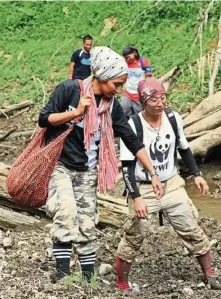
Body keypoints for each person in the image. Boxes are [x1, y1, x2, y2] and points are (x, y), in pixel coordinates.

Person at [39, 46, 163, 283]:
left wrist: (152, 171)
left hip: (88, 170)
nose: (118, 90)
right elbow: (44, 119)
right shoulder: (69, 90)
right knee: (65, 212)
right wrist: (76, 112)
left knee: (87, 220)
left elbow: (131, 139)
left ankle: (87, 278)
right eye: (116, 84)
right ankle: (64, 276)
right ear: (101, 76)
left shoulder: (112, 107)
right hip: (60, 165)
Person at [116, 78, 221, 291]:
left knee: (190, 225)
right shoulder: (133, 126)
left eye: (163, 97)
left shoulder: (173, 119)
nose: (160, 103)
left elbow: (184, 148)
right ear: (143, 102)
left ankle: (210, 275)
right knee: (135, 232)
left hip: (171, 183)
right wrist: (137, 197)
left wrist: (197, 174)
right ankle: (122, 283)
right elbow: (127, 166)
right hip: (144, 186)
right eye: (154, 100)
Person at [121, 45, 153, 117]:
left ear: (134, 53)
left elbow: (148, 75)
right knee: (124, 111)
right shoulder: (125, 63)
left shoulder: (143, 61)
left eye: (128, 57)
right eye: (126, 58)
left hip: (138, 95)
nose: (128, 59)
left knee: (138, 115)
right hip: (127, 93)